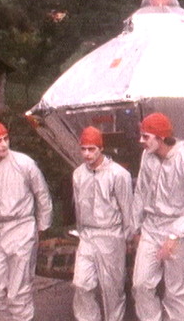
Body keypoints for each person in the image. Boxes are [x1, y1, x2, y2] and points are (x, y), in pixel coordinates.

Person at [131, 113, 184, 321]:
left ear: (161, 137)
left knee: (175, 290)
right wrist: (136, 227)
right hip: (151, 227)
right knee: (140, 285)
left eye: (146, 137)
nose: (141, 141)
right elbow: (140, 192)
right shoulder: (147, 157)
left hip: (179, 231)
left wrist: (174, 235)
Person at [0, 120, 53, 320]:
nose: (3, 145)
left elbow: (42, 193)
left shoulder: (24, 163)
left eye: (6, 139)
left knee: (19, 292)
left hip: (22, 228)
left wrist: (42, 227)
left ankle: (21, 317)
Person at [71, 126, 134, 321]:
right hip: (88, 236)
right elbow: (78, 207)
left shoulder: (119, 174)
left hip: (111, 236)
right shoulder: (78, 174)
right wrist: (81, 232)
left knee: (112, 290)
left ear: (101, 148)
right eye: (83, 149)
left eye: (92, 149)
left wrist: (129, 238)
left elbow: (127, 209)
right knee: (81, 284)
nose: (87, 154)